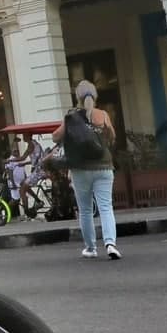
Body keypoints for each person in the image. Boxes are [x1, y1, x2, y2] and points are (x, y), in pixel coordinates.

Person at [53, 79, 119, 260]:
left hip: (80, 169)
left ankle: (91, 248)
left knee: (85, 210)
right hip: (104, 167)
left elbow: (55, 136)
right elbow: (112, 137)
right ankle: (110, 244)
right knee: (106, 207)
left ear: (77, 97)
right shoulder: (103, 115)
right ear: (95, 96)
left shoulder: (72, 116)